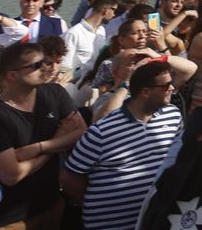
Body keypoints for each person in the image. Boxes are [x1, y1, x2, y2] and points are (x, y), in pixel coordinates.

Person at [63, 60, 185, 230]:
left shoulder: (173, 115)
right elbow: (70, 178)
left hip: (153, 222)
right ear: (145, 92)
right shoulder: (102, 131)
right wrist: (96, 205)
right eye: (165, 86)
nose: (172, 88)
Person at [0, 41, 87, 229]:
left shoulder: (54, 92)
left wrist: (39, 147)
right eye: (36, 65)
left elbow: (81, 132)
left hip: (52, 204)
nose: (46, 67)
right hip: (13, 219)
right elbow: (11, 175)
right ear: (12, 76)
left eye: (44, 61)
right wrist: (57, 141)